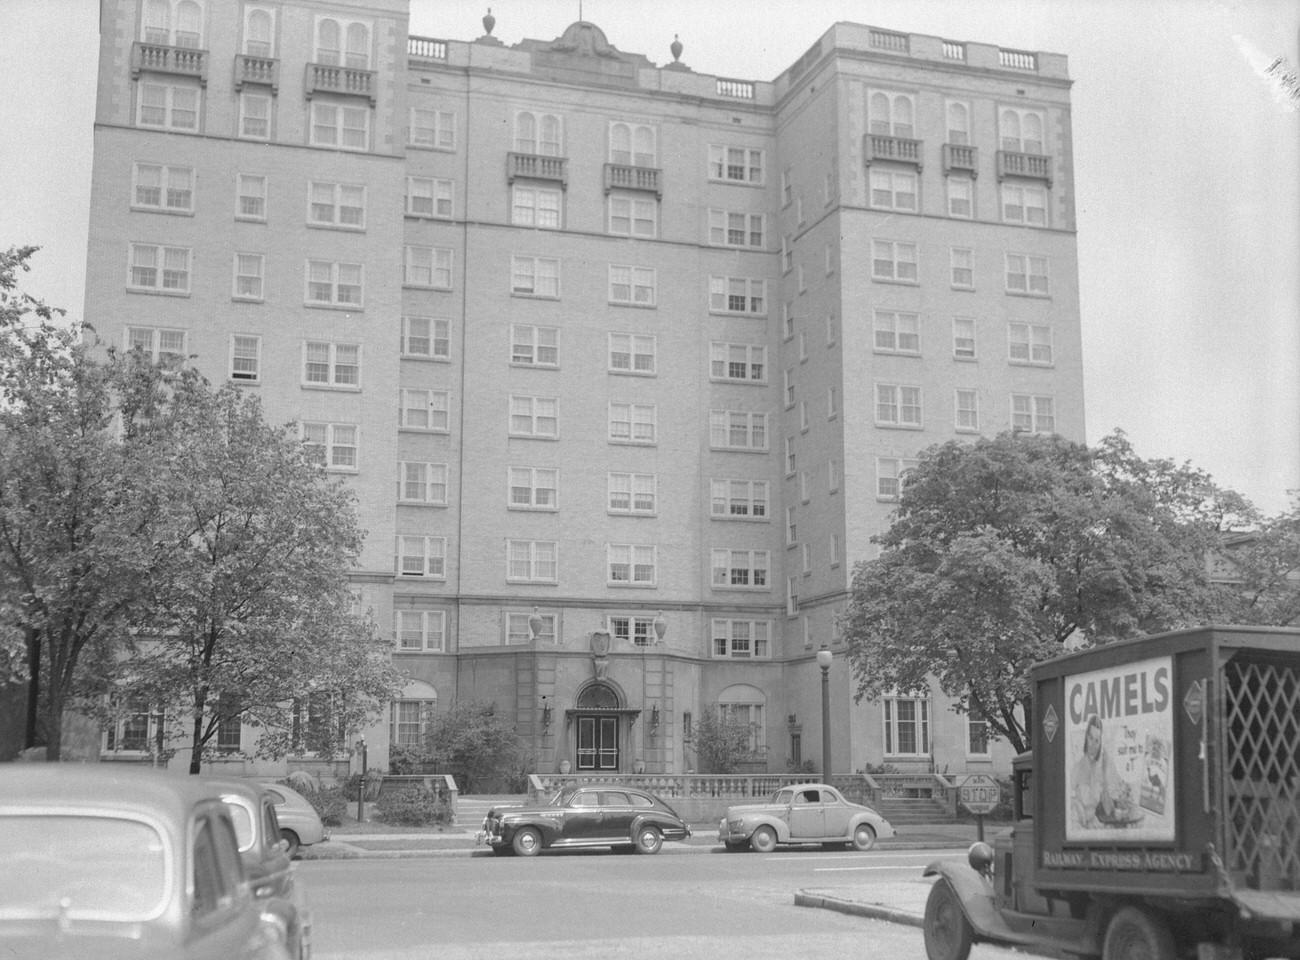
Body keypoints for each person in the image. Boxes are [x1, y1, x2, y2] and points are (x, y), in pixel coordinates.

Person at [1071, 714, 1120, 828]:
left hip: (1094, 826)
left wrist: (1104, 772)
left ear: (1100, 744)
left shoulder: (1100, 770)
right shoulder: (1076, 768)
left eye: (1097, 740)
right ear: (1086, 737)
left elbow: (1108, 811)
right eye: (1091, 738)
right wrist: (1076, 805)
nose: (1093, 744)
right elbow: (1067, 800)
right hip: (1078, 825)